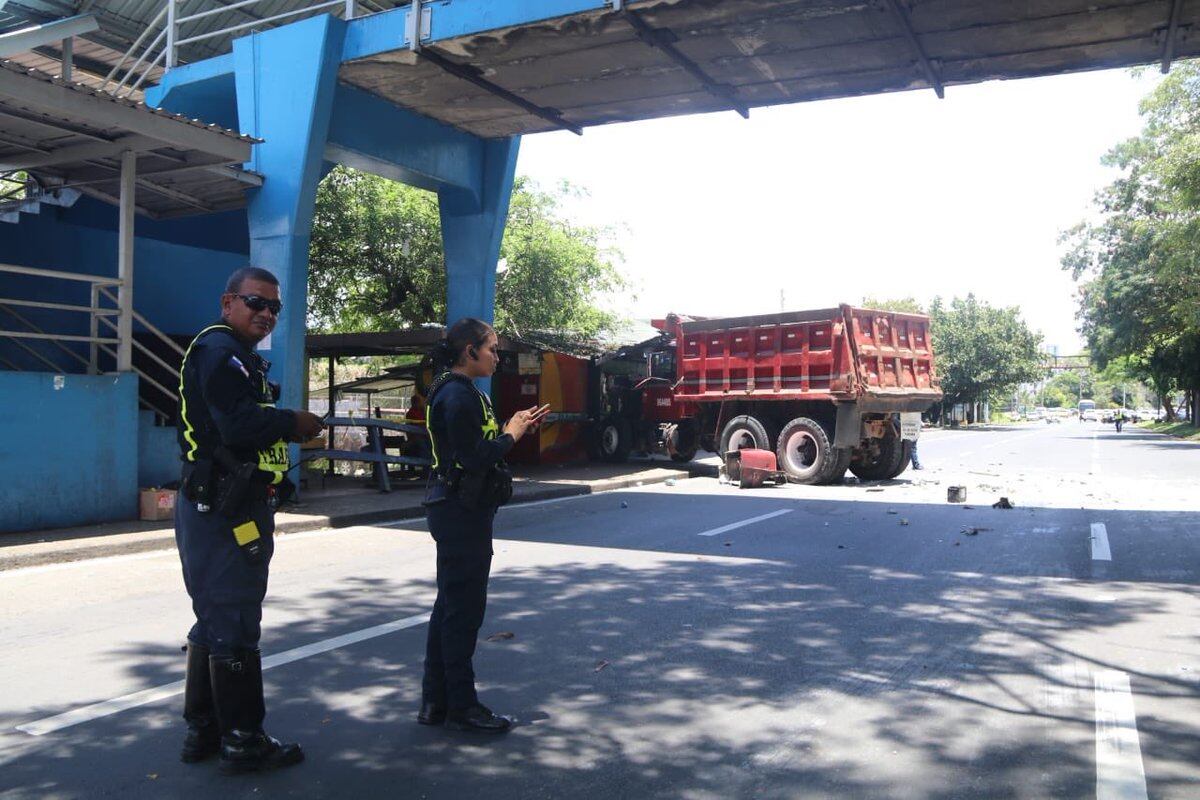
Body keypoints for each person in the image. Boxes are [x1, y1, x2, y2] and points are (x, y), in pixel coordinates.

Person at [175, 266, 325, 773]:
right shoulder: (220, 351)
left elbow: (236, 436)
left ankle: (204, 728)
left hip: (225, 497)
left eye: (274, 308)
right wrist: (294, 423)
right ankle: (243, 738)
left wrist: (276, 479)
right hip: (223, 506)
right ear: (228, 302)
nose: (266, 313)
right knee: (236, 617)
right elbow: (236, 423)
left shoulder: (237, 356)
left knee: (214, 617)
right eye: (255, 302)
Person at [418, 318, 543, 733]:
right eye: (491, 349)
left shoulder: (462, 392)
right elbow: (474, 457)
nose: (497, 357)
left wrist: (512, 427)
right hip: (460, 511)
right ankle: (462, 706)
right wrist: (511, 436)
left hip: (458, 507)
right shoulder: (457, 396)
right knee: (463, 612)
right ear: (469, 351)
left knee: (449, 607)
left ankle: (436, 701)